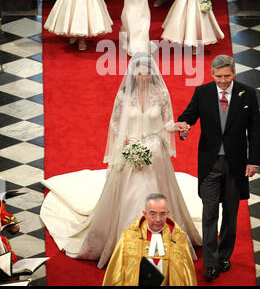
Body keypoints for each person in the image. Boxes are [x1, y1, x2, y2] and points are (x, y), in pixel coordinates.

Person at [40, 53, 202, 270]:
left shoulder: (161, 94)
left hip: (155, 152)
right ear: (133, 73)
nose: (144, 76)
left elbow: (167, 122)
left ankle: (160, 244)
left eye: (147, 72)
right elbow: (115, 123)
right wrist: (126, 139)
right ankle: (128, 246)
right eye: (140, 72)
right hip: (132, 149)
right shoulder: (124, 96)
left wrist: (178, 126)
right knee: (130, 196)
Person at [177, 54, 260, 281]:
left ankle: (224, 255)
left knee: (231, 215)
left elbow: (254, 130)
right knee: (209, 212)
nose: (223, 81)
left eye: (227, 76)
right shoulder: (202, 92)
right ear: (212, 74)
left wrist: (253, 160)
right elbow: (188, 116)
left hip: (236, 165)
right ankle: (210, 263)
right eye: (218, 76)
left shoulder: (247, 94)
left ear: (233, 73)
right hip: (210, 164)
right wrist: (183, 125)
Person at [102, 193, 197, 286]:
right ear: (145, 214)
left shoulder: (178, 238)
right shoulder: (129, 236)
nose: (158, 219)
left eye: (162, 214)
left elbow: (187, 277)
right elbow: (116, 274)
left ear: (167, 213)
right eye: (153, 214)